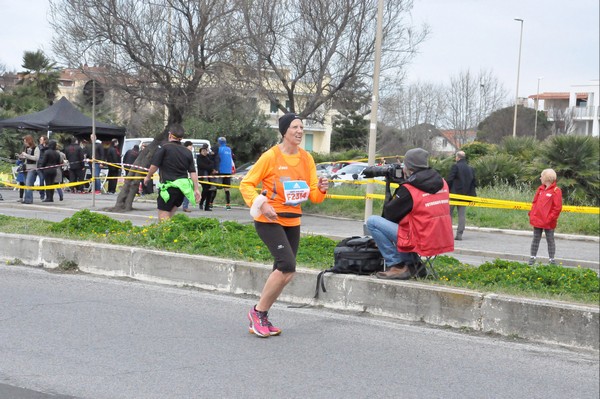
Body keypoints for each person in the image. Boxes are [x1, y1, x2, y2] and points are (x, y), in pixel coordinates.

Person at [239, 113, 329, 338]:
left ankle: (262, 315)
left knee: (285, 273)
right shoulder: (270, 157)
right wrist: (262, 204)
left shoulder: (306, 158)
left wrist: (323, 188)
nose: (299, 131)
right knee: (287, 265)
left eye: (301, 127)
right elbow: (246, 184)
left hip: (292, 220)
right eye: (294, 127)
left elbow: (314, 196)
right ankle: (257, 312)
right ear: (284, 131)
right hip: (269, 219)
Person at [366, 148, 454, 280]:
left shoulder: (409, 188)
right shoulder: (442, 183)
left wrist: (399, 190)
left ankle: (397, 265)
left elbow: (390, 215)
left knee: (373, 222)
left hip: (421, 238)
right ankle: (415, 265)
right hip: (441, 236)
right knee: (407, 227)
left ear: (409, 167)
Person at [143, 124, 201, 221]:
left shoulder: (164, 148)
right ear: (181, 138)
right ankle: (171, 234)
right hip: (182, 189)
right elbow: (193, 172)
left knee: (163, 219)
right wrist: (196, 189)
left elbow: (154, 166)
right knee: (169, 217)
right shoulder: (187, 152)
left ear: (170, 135)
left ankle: (165, 235)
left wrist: (148, 177)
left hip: (169, 187)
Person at [528, 169, 563, 266]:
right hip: (538, 220)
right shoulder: (540, 189)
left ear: (547, 178)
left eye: (541, 176)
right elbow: (535, 203)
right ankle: (532, 257)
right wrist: (532, 214)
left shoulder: (556, 191)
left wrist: (549, 218)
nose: (540, 178)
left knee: (550, 240)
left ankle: (552, 259)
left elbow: (557, 208)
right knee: (535, 238)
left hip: (548, 222)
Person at [446, 150, 477, 241]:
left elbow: (450, 179)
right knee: (461, 215)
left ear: (457, 157)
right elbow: (474, 182)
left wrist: (446, 189)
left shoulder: (455, 166)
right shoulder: (470, 168)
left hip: (454, 194)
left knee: (449, 213)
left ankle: (448, 233)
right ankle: (459, 234)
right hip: (465, 195)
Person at [214, 136, 234, 210]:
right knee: (227, 189)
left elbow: (216, 159)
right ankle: (228, 205)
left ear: (219, 142)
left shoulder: (219, 149)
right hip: (228, 171)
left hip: (220, 171)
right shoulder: (229, 149)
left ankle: (210, 203)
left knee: (214, 187)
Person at [19, 134, 39, 204]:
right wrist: (21, 157)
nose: (25, 143)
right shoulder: (26, 148)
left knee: (28, 183)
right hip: (25, 167)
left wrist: (26, 155)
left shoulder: (36, 148)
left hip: (32, 168)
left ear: (29, 141)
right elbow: (26, 158)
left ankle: (29, 199)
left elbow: (36, 158)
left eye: (25, 141)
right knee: (25, 183)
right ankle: (26, 198)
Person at [196, 143, 215, 211]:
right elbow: (202, 166)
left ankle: (207, 206)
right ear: (200, 152)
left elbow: (212, 164)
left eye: (205, 151)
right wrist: (209, 167)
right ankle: (201, 203)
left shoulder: (208, 158)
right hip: (203, 177)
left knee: (210, 191)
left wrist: (210, 168)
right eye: (203, 151)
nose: (204, 152)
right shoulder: (199, 158)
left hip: (209, 176)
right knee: (205, 190)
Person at [181, 141, 195, 212]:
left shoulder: (190, 154)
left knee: (187, 191)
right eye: (190, 146)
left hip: (188, 176)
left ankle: (185, 206)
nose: (192, 147)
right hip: (180, 175)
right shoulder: (182, 153)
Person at [36, 135, 49, 200]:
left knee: (47, 181)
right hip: (39, 166)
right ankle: (42, 194)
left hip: (46, 166)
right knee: (41, 179)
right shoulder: (39, 147)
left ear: (45, 140)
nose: (40, 141)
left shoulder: (48, 147)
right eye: (40, 139)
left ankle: (47, 195)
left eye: (41, 139)